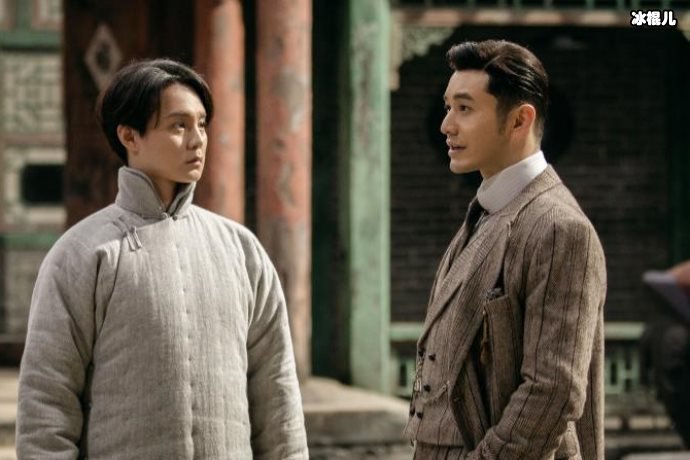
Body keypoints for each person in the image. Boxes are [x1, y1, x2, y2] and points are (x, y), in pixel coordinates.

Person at [16, 58, 309, 459]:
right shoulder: (83, 254)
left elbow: (277, 396)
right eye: (178, 126)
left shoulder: (241, 251)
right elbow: (46, 401)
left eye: (201, 124)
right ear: (129, 136)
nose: (197, 140)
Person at [403, 40, 607, 459]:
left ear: (519, 120)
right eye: (448, 107)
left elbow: (553, 390)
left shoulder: (558, 228)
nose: (446, 125)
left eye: (464, 108)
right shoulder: (486, 212)